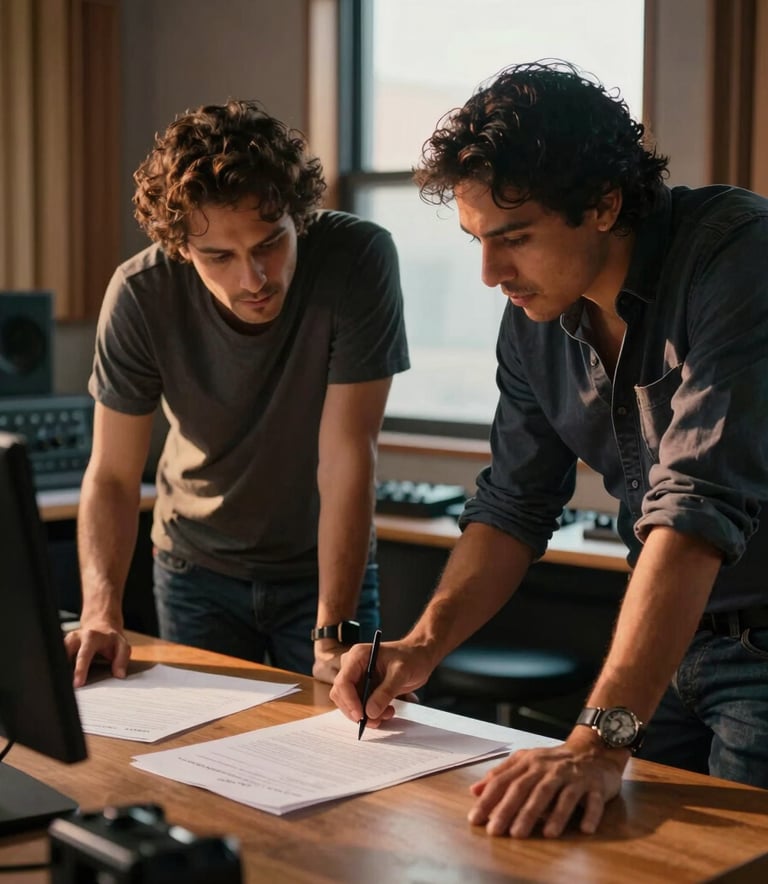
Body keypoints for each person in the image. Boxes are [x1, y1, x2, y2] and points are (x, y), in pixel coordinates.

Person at [330, 60, 768, 838]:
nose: (491, 273)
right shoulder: (535, 319)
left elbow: (696, 506)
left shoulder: (739, 257)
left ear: (603, 204)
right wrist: (419, 647)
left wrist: (597, 742)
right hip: (671, 650)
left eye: (515, 239)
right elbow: (513, 503)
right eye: (475, 242)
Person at [65, 99, 409, 687]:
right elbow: (114, 476)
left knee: (349, 745)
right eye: (219, 257)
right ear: (180, 248)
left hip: (322, 572)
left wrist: (332, 632)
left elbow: (348, 454)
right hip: (195, 568)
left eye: (269, 244)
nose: (253, 280)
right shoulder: (140, 294)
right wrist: (101, 611)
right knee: (199, 764)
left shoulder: (358, 260)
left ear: (298, 217)